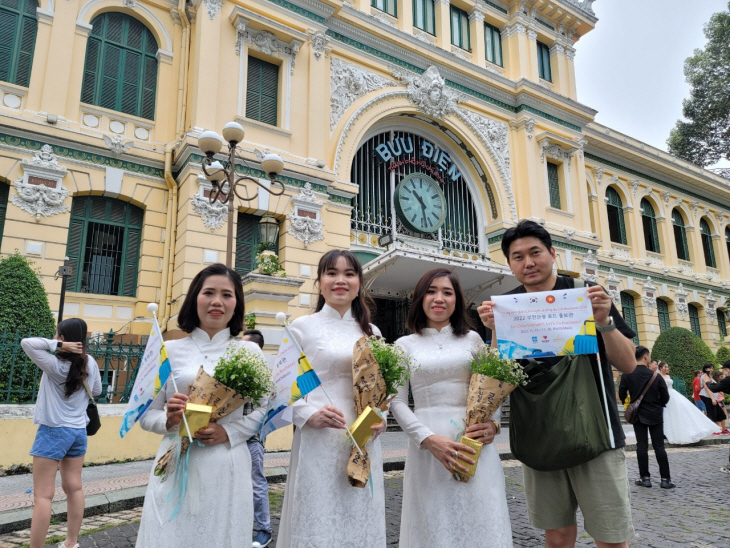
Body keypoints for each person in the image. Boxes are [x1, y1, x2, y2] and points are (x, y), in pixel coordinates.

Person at [478, 220, 637, 548]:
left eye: (535, 252)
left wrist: (604, 321)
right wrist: (494, 331)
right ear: (509, 264)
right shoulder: (507, 307)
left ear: (552, 253)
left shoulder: (586, 296)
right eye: (518, 257)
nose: (528, 262)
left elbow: (628, 364)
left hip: (596, 434)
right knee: (558, 536)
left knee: (610, 538)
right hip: (540, 436)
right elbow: (499, 377)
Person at [135, 264, 266, 547]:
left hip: (227, 462)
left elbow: (264, 408)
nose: (217, 301)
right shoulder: (168, 350)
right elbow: (145, 414)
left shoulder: (249, 352)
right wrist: (168, 420)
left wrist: (229, 433)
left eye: (227, 295)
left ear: (236, 304)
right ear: (195, 298)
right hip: (175, 462)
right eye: (209, 292)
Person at [390, 268, 512, 547]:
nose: (439, 298)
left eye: (447, 292)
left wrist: (493, 425)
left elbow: (490, 385)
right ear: (420, 298)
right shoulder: (404, 345)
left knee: (480, 516)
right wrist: (427, 439)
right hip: (428, 446)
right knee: (433, 521)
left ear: (457, 300)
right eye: (431, 291)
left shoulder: (473, 340)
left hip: (473, 442)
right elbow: (395, 401)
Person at [277, 250, 387, 548]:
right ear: (320, 281)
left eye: (349, 274)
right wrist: (307, 414)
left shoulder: (372, 332)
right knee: (319, 514)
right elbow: (281, 388)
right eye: (332, 273)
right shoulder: (302, 327)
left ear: (359, 282)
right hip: (320, 436)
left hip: (363, 436)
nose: (341, 280)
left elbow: (382, 390)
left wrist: (381, 420)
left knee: (359, 511)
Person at [21, 318, 102, 548]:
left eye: (57, 336)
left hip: (53, 431)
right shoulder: (91, 363)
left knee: (43, 496)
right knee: (74, 487)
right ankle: (71, 543)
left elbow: (27, 343)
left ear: (64, 338)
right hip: (78, 431)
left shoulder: (54, 363)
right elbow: (95, 390)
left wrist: (58, 347)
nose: (54, 338)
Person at [618, 347, 673, 489]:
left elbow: (622, 393)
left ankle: (645, 478)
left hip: (638, 415)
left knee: (641, 446)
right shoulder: (655, 376)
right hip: (655, 413)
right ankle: (665, 480)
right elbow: (665, 396)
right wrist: (658, 404)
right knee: (659, 446)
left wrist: (629, 404)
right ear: (646, 357)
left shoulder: (627, 374)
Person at [242, 329, 273, 548]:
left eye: (246, 345)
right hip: (230, 439)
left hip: (252, 439)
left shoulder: (263, 374)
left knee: (256, 483)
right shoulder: (235, 369)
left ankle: (264, 529)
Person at [656, 360, 719, 443]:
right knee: (668, 414)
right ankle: (667, 432)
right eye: (665, 367)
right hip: (666, 395)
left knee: (680, 412)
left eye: (667, 367)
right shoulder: (658, 376)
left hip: (673, 394)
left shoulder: (668, 376)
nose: (667, 368)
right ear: (660, 368)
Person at [704, 362, 730, 473]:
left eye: (724, 370)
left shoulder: (728, 379)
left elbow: (715, 388)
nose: (723, 372)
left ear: (728, 370)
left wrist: (707, 382)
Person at [699, 363, 725, 429]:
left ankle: (718, 428)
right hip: (707, 396)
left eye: (712, 368)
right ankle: (714, 428)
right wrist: (713, 399)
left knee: (717, 412)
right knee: (712, 412)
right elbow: (707, 388)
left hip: (712, 396)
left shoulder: (710, 377)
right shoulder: (704, 376)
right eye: (710, 368)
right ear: (705, 369)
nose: (711, 369)